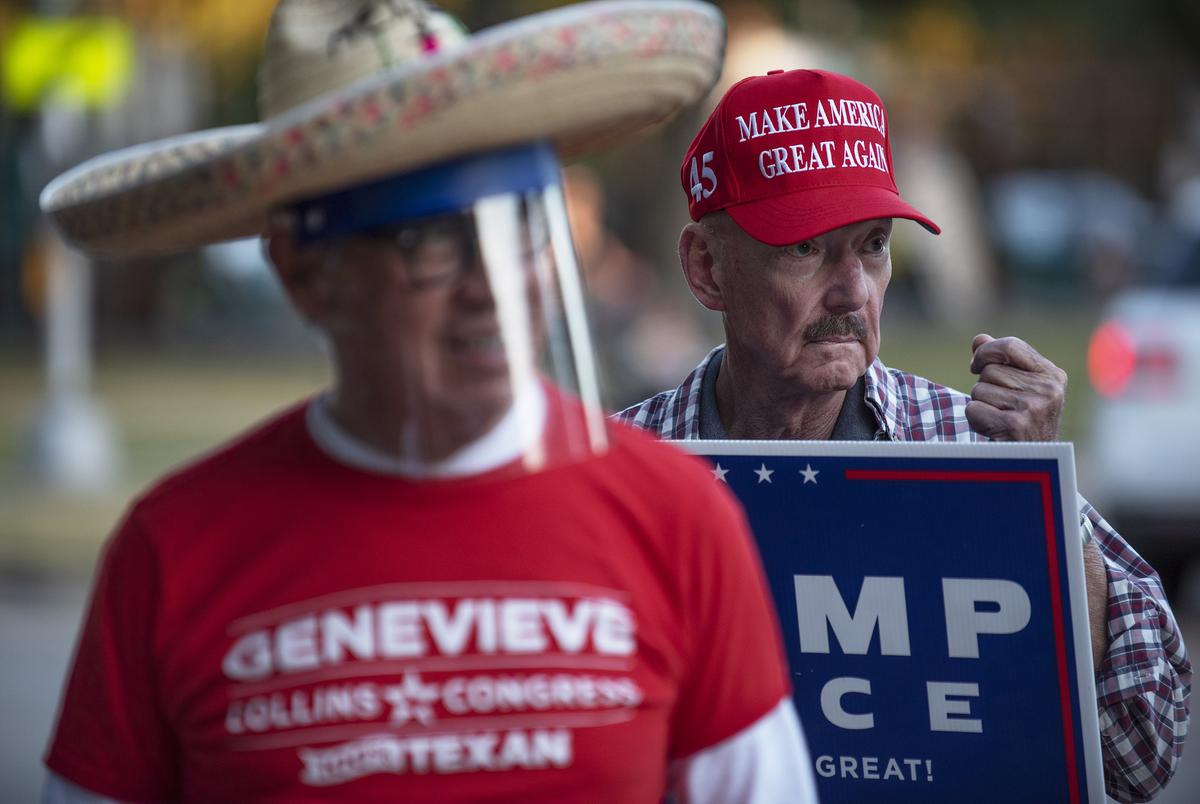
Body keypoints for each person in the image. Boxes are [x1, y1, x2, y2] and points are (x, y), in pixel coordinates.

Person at [39, 3, 819, 802]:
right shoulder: (174, 552)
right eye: (432, 240)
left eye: (515, 222)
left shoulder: (677, 520)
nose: (491, 289)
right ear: (305, 272)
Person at [616, 67, 1191, 803]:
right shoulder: (622, 473)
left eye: (875, 245)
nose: (853, 289)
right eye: (805, 249)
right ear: (707, 268)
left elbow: (1143, 752)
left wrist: (1044, 504)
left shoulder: (978, 447)